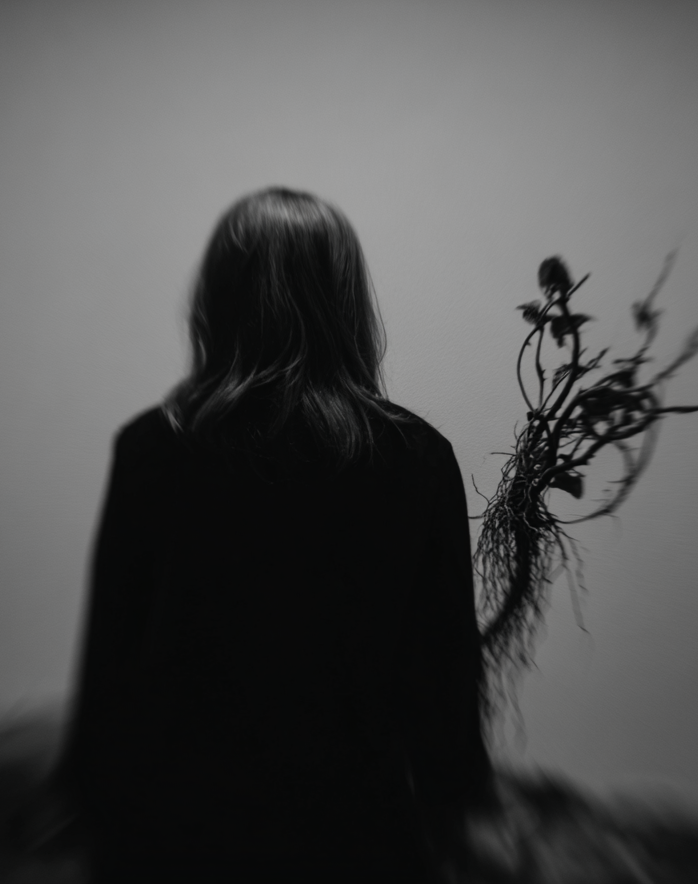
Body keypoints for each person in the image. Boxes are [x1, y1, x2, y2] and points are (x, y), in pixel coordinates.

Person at [51, 187, 495, 882]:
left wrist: (84, 803)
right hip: (353, 832)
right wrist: (458, 810)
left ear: (216, 298)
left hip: (172, 831)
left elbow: (115, 652)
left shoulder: (152, 448)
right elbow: (442, 671)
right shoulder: (419, 459)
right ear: (346, 301)